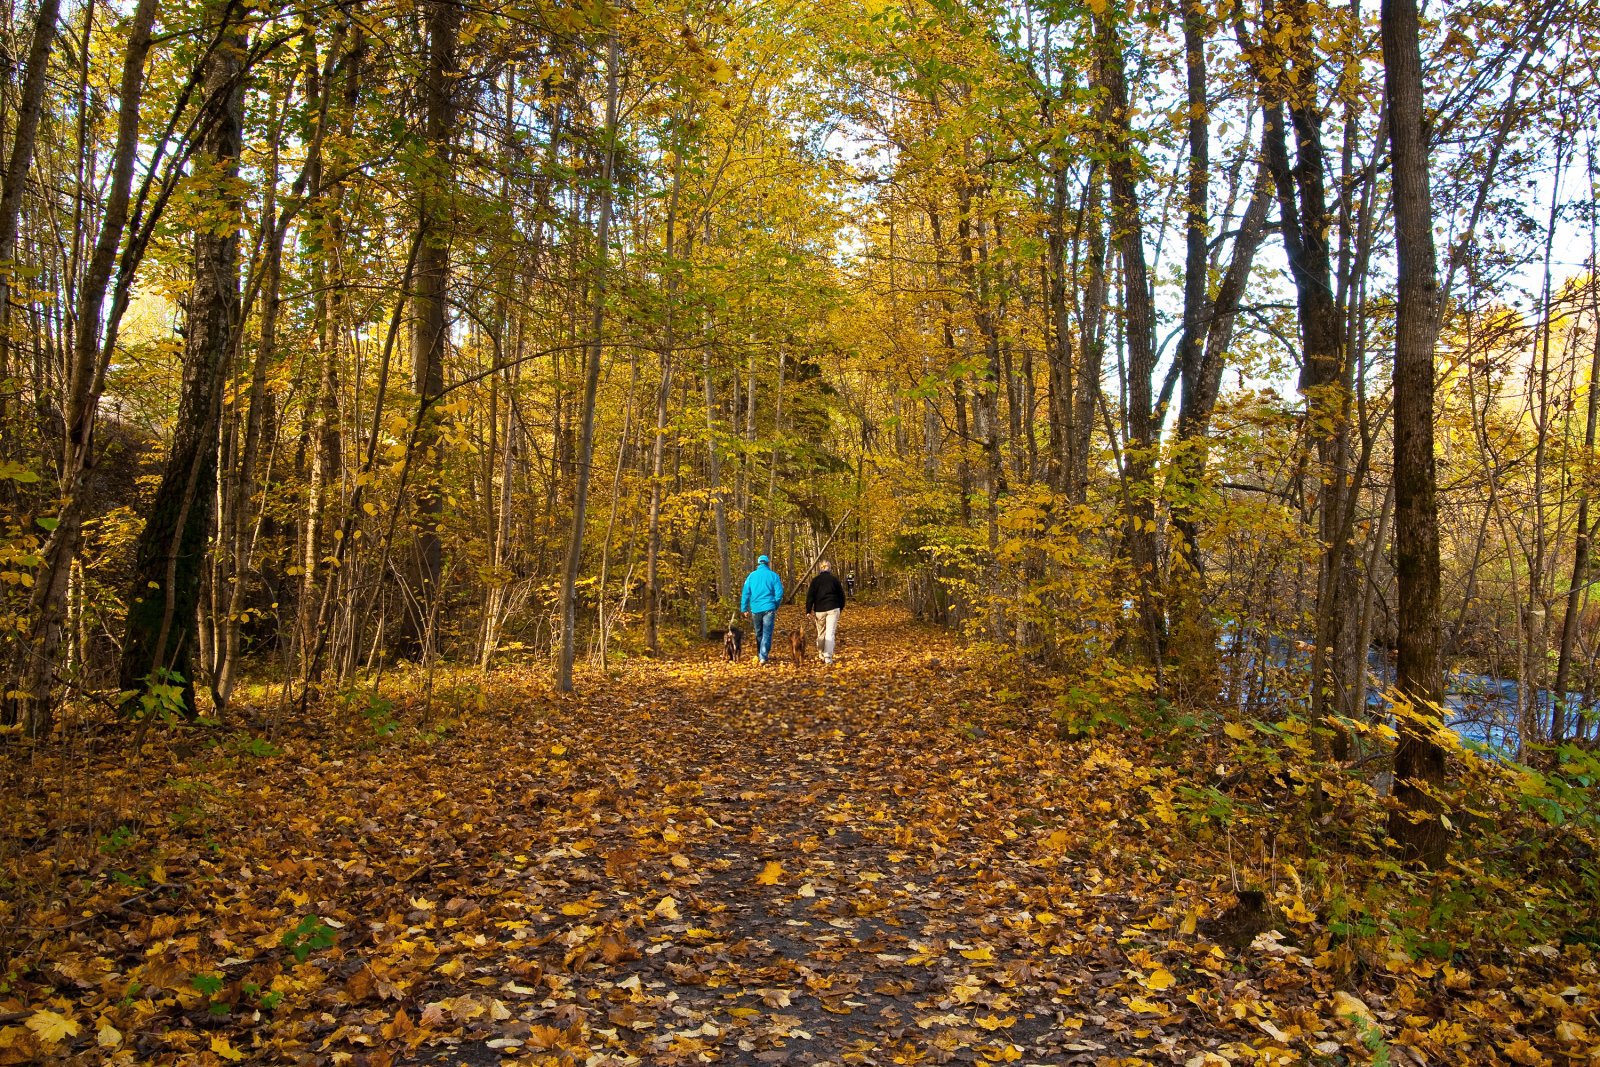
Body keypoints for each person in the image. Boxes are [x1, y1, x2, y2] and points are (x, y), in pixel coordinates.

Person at [739, 554, 785, 665]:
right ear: (768, 563)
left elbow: (746, 593)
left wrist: (744, 608)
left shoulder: (751, 576)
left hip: (755, 609)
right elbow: (779, 593)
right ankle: (763, 655)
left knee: (759, 632)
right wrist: (775, 604)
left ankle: (761, 655)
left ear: (759, 563)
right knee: (767, 633)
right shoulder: (773, 576)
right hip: (769, 607)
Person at [806, 560, 847, 665]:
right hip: (833, 608)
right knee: (830, 633)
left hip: (820, 609)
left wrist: (808, 610)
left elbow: (810, 596)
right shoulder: (834, 580)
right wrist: (840, 607)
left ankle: (820, 653)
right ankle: (828, 656)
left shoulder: (815, 581)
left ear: (821, 568)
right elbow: (841, 596)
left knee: (821, 633)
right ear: (829, 568)